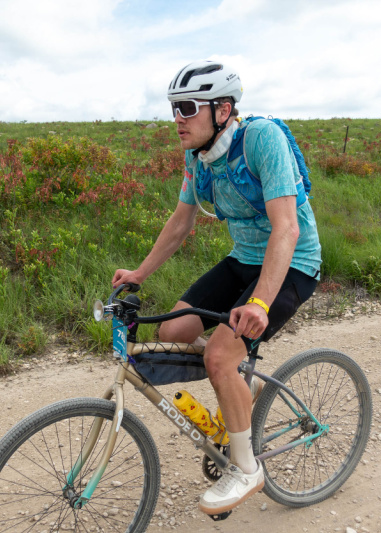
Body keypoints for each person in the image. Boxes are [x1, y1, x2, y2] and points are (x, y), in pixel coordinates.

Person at [112, 59, 322, 515]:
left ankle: (247, 468)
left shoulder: (261, 139)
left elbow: (286, 229)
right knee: (174, 331)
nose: (178, 119)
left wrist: (261, 303)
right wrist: (139, 274)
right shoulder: (198, 156)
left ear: (223, 109)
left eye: (187, 108)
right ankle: (239, 383)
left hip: (292, 263)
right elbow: (181, 220)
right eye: (173, 109)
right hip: (243, 259)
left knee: (220, 354)